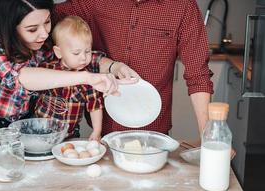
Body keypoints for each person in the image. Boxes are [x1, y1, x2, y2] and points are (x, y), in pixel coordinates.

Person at [52, 0, 214, 136]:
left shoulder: (183, 6)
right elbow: (46, 15)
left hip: (153, 129)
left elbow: (198, 75)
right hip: (105, 127)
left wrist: (209, 137)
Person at [0, 0, 137, 128]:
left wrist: (114, 66)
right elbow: (16, 76)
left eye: (47, 22)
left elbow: (76, 55)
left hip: (25, 120)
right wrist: (87, 77)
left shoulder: (44, 37)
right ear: (9, 25)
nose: (44, 34)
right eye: (32, 29)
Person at [35, 16, 104, 140]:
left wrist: (97, 131)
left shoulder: (89, 79)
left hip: (69, 135)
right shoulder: (46, 69)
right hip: (40, 131)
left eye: (87, 51)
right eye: (76, 53)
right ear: (59, 52)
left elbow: (95, 106)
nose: (83, 57)